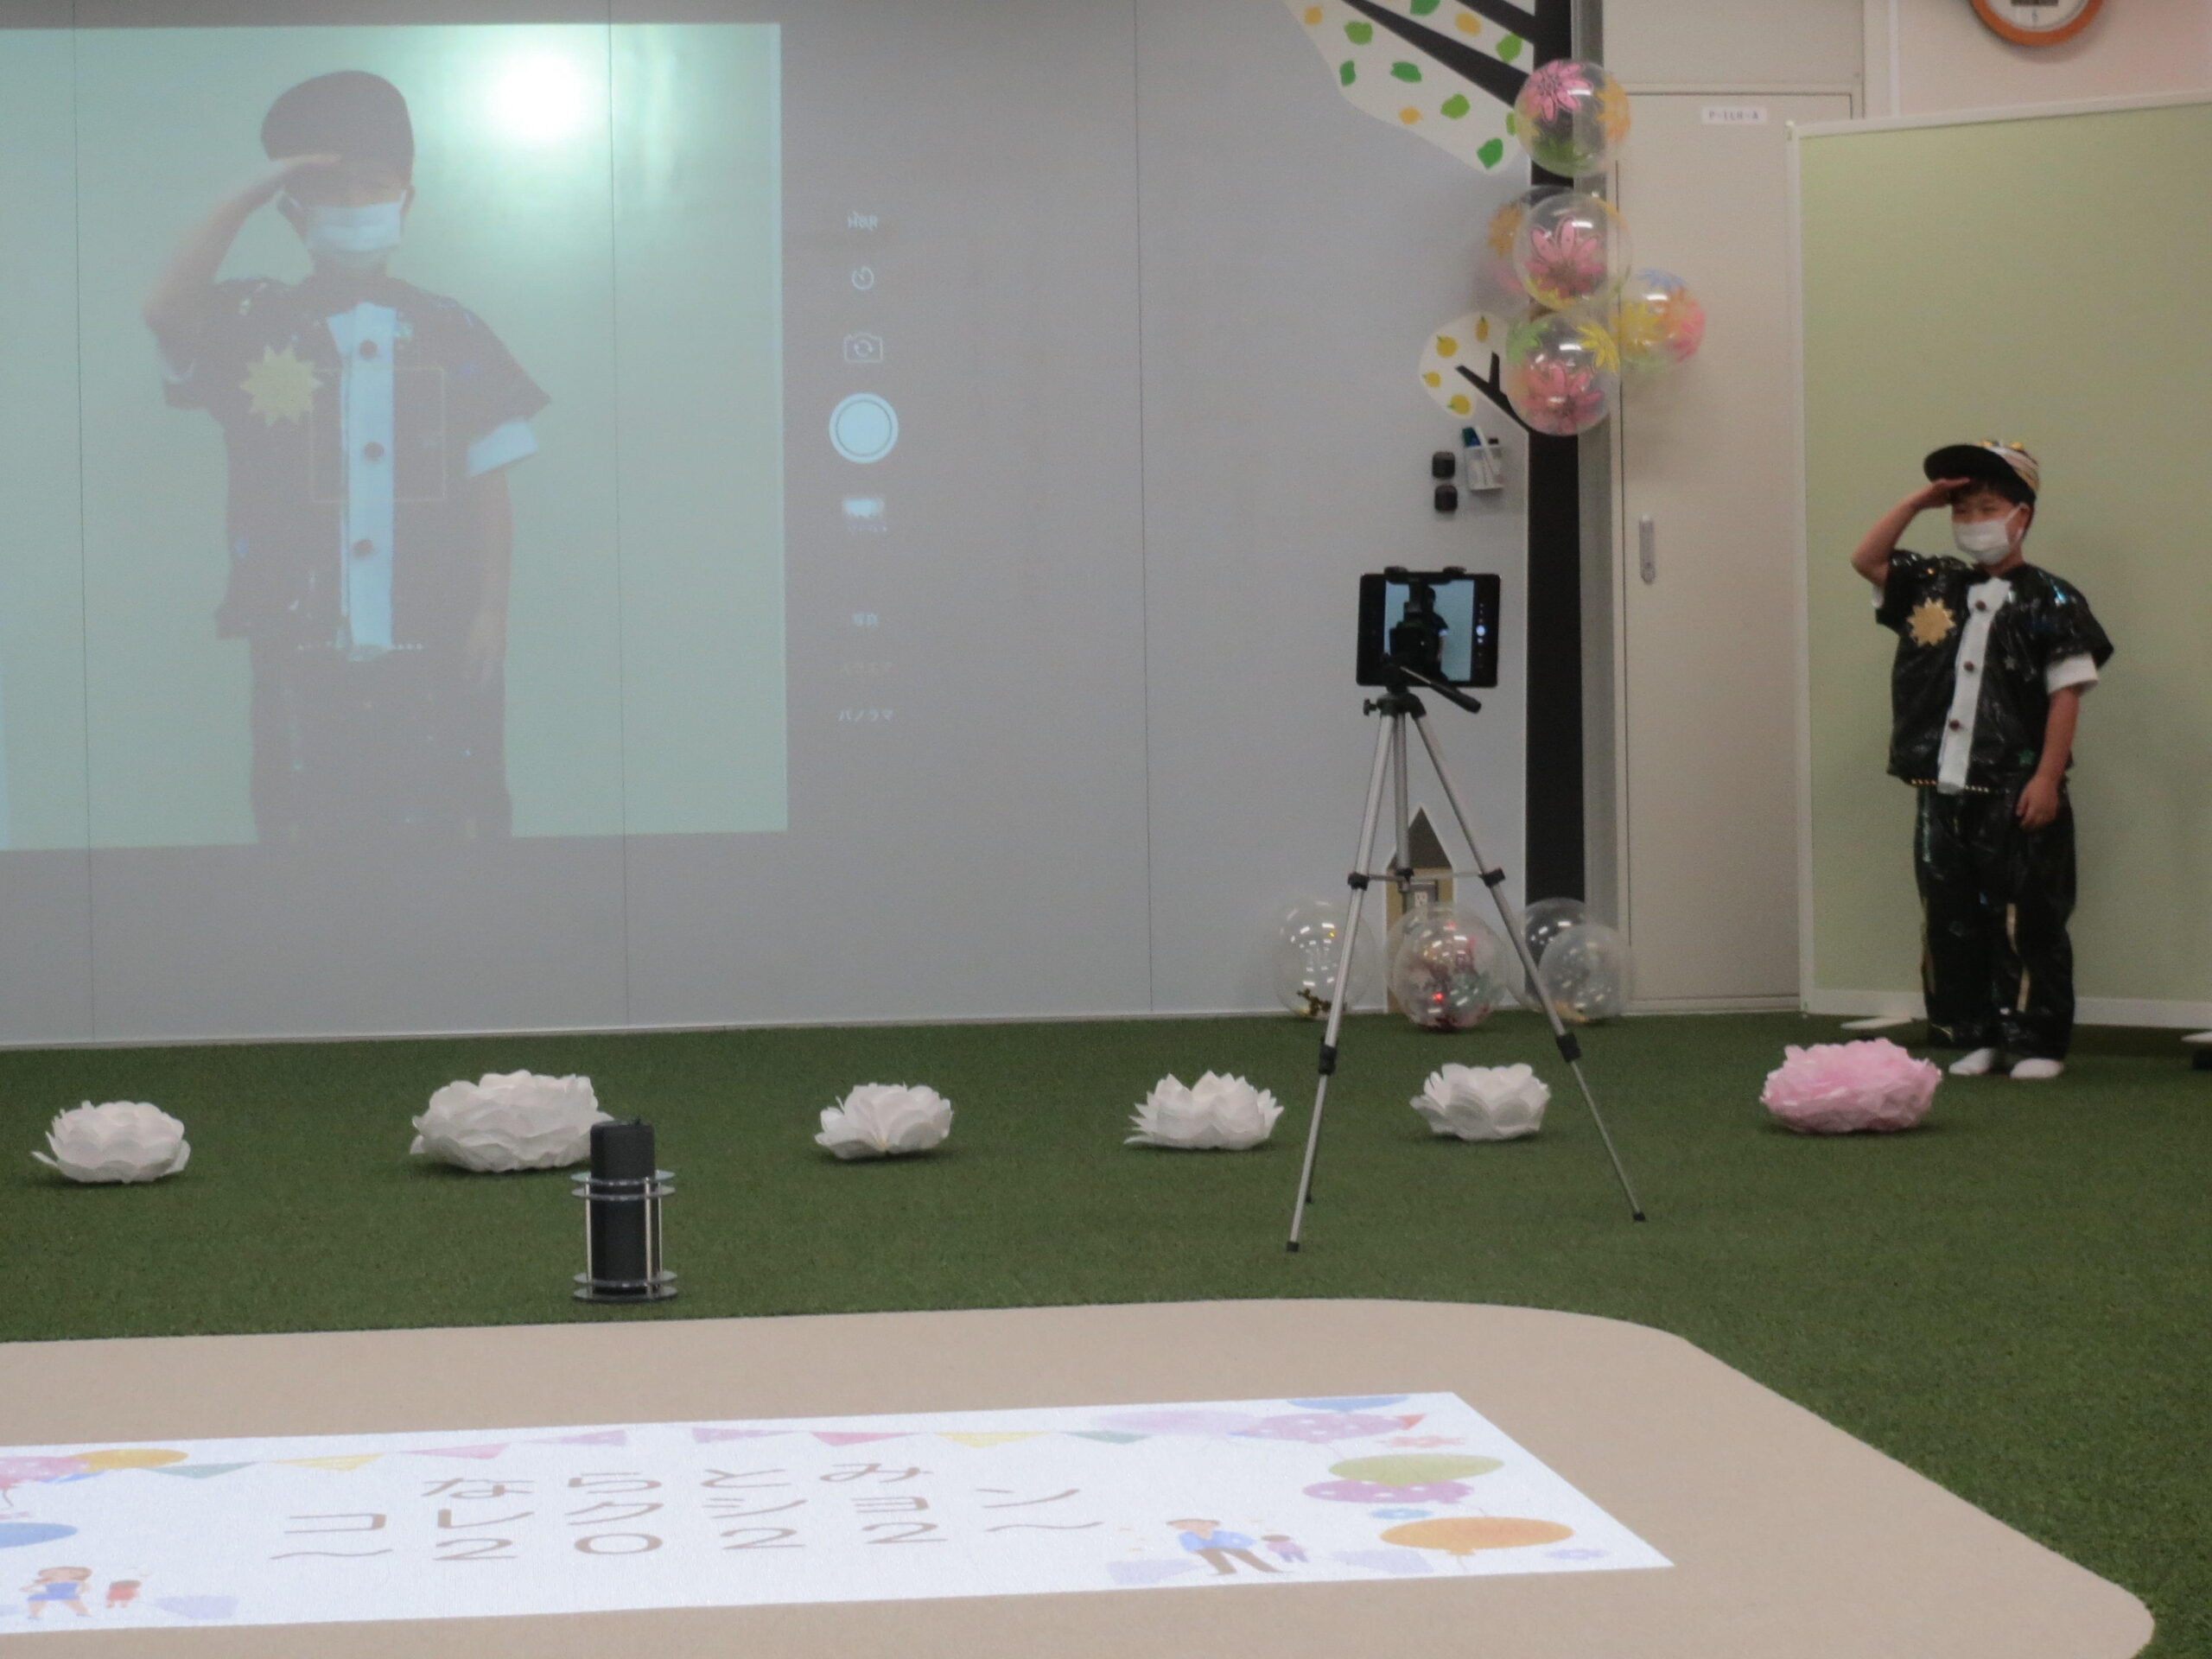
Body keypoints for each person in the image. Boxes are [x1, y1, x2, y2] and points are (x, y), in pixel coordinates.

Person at [144, 70, 548, 843]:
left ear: (406, 201)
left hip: (435, 636)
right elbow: (165, 309)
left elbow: (487, 485)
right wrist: (247, 193)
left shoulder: (452, 330)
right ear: (293, 210)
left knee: (451, 818)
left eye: (374, 184)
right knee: (306, 819)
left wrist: (491, 609)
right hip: (299, 641)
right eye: (329, 190)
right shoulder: (256, 320)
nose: (355, 204)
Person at [1850, 442, 2113, 1080]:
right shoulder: (1933, 583)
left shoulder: (2052, 599)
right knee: (1951, 915)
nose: (1972, 522)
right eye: (1961, 510)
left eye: (1988, 508)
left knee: (2025, 916)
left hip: (2013, 786)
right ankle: (1974, 1032)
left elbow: (2066, 693)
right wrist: (1919, 501)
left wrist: (2046, 776)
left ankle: (2036, 1040)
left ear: (2022, 516)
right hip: (1942, 786)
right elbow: (1868, 559)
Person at [1166, 1517, 1281, 1577]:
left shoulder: (1221, 1534)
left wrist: (1248, 1543)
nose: (1195, 1526)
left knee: (1242, 1553)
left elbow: (1241, 1539)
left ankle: (1268, 1569)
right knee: (1210, 1553)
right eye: (1187, 1524)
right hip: (1207, 1549)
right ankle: (1226, 1570)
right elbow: (1189, 1546)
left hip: (1228, 1546)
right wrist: (1195, 1550)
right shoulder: (1186, 1536)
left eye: (1199, 1523)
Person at [22, 1567, 92, 1619]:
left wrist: (78, 1593)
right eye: (55, 1573)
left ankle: (83, 1613)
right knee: (36, 1598)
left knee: (72, 1600)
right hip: (51, 1594)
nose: (61, 1574)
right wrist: (41, 1592)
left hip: (68, 1594)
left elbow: (86, 1587)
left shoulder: (74, 1581)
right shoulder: (49, 1582)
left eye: (71, 1573)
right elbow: (26, 1589)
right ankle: (34, 1615)